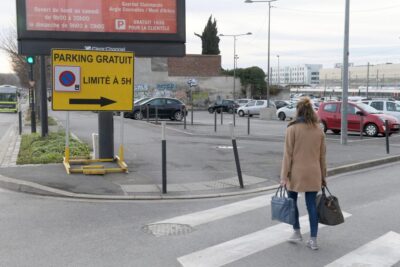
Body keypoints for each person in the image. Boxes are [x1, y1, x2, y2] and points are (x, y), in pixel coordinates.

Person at [280, 97, 327, 250]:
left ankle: (297, 232)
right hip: (314, 172)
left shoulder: (291, 128)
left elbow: (288, 155)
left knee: (292, 203)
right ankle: (313, 240)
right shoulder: (318, 130)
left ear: (298, 111)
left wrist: (283, 176)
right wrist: (323, 176)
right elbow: (322, 156)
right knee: (311, 206)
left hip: (296, 173)